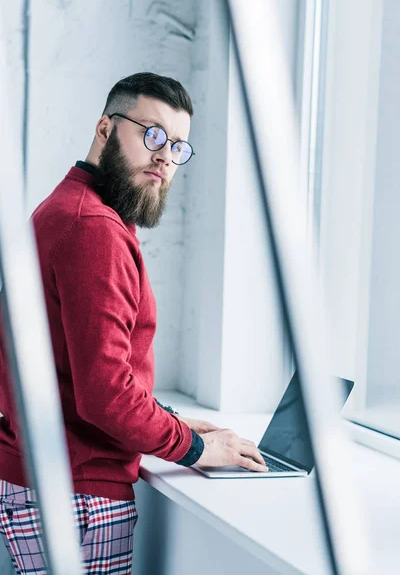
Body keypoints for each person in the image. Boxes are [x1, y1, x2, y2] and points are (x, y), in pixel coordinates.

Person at [0, 72, 268, 574]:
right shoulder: (92, 229)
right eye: (153, 135)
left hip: (47, 481)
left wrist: (168, 418)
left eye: (180, 147)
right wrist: (193, 448)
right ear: (105, 127)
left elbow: (76, 366)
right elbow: (105, 395)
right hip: (76, 497)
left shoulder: (67, 209)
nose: (166, 155)